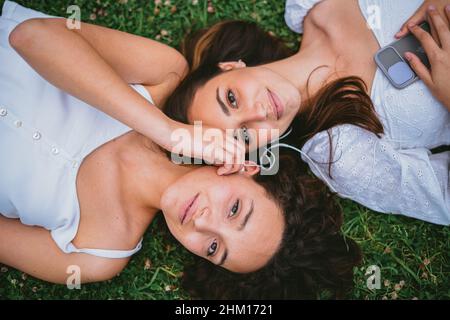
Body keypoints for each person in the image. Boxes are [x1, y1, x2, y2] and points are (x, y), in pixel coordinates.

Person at [0, 2, 361, 299]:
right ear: (245, 169)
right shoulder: (161, 76)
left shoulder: (94, 255)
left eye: (214, 249)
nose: (202, 223)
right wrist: (167, 132)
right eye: (234, 210)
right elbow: (31, 36)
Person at [163, 0, 450, 225]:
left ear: (231, 66)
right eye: (244, 135)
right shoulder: (340, 154)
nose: (257, 113)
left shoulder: (305, 5)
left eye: (231, 98)